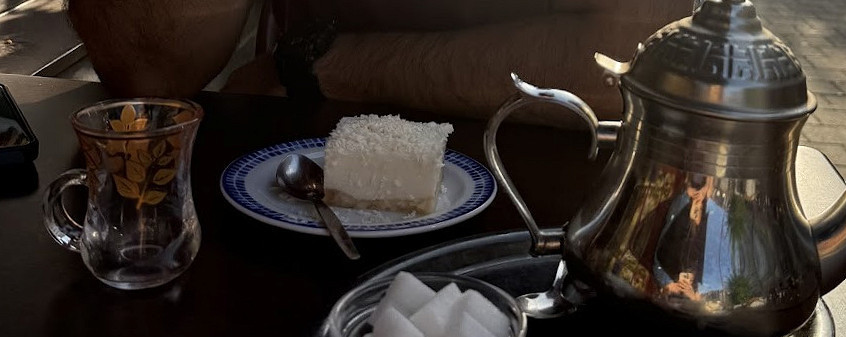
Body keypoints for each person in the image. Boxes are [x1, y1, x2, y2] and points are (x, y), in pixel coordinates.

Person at [66, 0, 694, 123]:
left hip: (530, 223)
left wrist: (328, 65)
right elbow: (154, 70)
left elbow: (632, 57)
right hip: (286, 186)